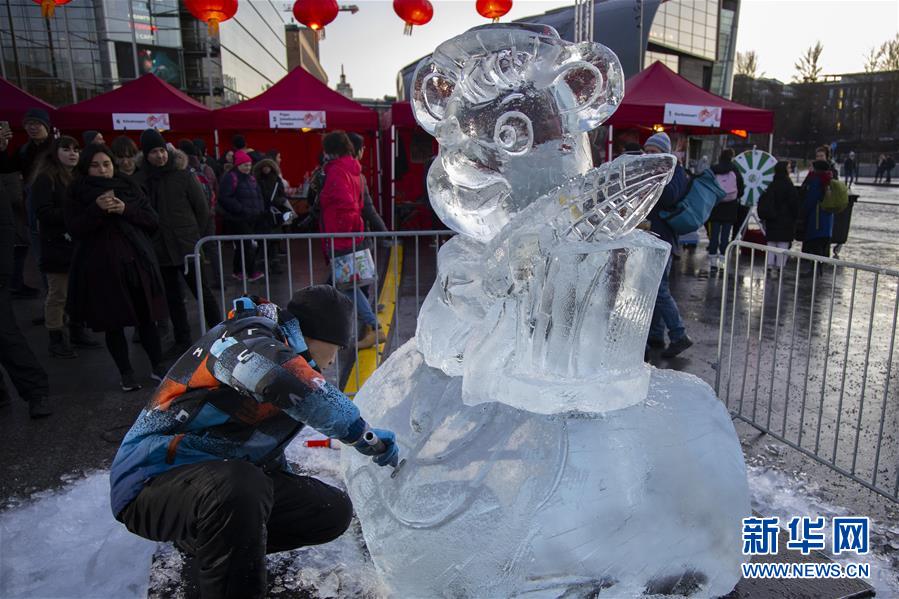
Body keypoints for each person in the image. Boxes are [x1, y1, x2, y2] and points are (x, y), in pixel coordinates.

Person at [109, 286, 399, 599]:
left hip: (212, 485)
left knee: (331, 510)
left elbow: (261, 448)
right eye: (338, 347)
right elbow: (282, 381)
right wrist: (362, 434)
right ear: (319, 335)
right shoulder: (245, 340)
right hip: (150, 483)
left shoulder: (290, 359)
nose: (334, 360)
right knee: (241, 485)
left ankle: (206, 539)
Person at [65, 144, 168, 391]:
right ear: (86, 167)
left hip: (136, 263)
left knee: (147, 319)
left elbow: (152, 220)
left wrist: (125, 209)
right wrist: (96, 210)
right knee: (113, 323)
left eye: (106, 164)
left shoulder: (129, 186)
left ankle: (158, 366)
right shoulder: (76, 192)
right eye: (95, 165)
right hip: (101, 269)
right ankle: (126, 373)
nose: (102, 170)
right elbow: (74, 229)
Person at [137, 129, 222, 352]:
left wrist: (194, 235)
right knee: (173, 299)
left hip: (187, 245)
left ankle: (222, 334)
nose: (160, 156)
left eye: (162, 151)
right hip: (160, 247)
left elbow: (201, 208)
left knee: (202, 293)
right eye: (154, 152)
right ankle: (182, 338)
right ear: (146, 155)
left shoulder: (183, 175)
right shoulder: (142, 179)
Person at [30, 135, 100, 358]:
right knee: (58, 294)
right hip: (56, 245)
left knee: (77, 292)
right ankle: (56, 338)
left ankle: (77, 331)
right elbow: (43, 212)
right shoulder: (46, 178)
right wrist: (74, 216)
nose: (72, 153)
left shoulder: (77, 177)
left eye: (76, 149)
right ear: (55, 152)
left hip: (77, 245)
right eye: (66, 149)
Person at [317, 132, 384, 349]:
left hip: (341, 236)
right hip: (351, 234)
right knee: (346, 285)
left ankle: (374, 327)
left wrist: (323, 199)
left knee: (348, 286)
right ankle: (367, 327)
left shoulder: (337, 170)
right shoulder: (353, 169)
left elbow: (343, 204)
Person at [642, 132, 693, 358]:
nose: (648, 155)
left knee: (659, 289)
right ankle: (656, 334)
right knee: (655, 289)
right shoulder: (658, 170)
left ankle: (679, 334)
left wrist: (656, 176)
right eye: (647, 151)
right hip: (652, 236)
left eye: (653, 152)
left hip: (663, 239)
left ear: (664, 152)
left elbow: (671, 197)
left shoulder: (674, 171)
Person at [0, 107, 55, 299]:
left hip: (56, 209)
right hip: (33, 211)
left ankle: (69, 312)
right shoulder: (24, 150)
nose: (32, 127)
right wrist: (2, 148)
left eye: (36, 123)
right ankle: (52, 310)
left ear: (46, 125)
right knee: (41, 260)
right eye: (28, 124)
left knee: (62, 260)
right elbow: (5, 168)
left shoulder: (57, 148)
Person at [217, 149, 265, 281]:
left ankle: (237, 270)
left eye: (249, 165)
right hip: (237, 218)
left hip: (250, 217)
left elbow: (258, 195)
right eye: (245, 165)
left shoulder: (251, 178)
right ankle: (251, 272)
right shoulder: (231, 177)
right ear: (238, 165)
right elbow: (225, 197)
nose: (248, 168)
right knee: (247, 245)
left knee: (242, 246)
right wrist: (241, 209)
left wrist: (260, 209)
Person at [757, 161, 798, 276]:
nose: (790, 170)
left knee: (771, 243)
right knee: (782, 244)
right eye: (789, 168)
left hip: (772, 220)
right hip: (786, 221)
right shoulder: (789, 186)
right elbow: (794, 205)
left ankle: (769, 266)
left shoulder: (771, 185)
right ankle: (780, 267)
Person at [706, 148, 745, 271]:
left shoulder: (713, 169)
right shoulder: (735, 169)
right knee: (725, 236)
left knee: (714, 235)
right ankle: (723, 262)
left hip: (715, 207)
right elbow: (741, 189)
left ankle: (712, 263)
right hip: (730, 208)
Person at [253, 157, 292, 274]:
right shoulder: (256, 180)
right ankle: (263, 263)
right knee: (263, 241)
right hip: (263, 214)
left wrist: (277, 201)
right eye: (264, 167)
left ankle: (273, 264)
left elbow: (282, 195)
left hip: (273, 214)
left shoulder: (276, 181)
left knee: (274, 240)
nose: (266, 169)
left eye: (268, 167)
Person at [798, 146, 836, 261]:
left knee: (815, 241)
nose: (819, 158)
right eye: (817, 156)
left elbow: (810, 195)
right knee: (820, 241)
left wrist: (803, 212)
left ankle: (814, 267)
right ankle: (817, 265)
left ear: (827, 157)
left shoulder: (822, 175)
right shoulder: (815, 173)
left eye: (821, 156)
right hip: (823, 215)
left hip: (818, 214)